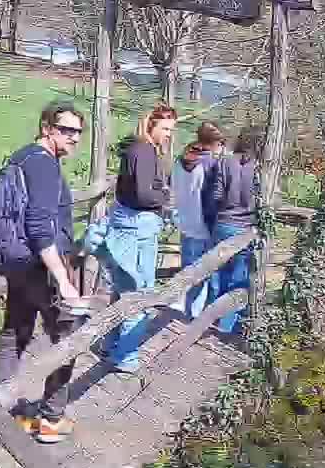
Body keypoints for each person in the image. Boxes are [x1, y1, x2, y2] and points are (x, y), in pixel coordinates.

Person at [0, 101, 87, 445]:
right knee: (70, 337)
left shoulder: (22, 156)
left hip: (15, 262)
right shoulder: (44, 166)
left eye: (77, 131)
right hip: (40, 265)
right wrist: (63, 280)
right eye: (66, 130)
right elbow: (39, 227)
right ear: (47, 128)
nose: (73, 137)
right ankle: (51, 419)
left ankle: (6, 412)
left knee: (14, 332)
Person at [98, 104, 178, 371]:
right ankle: (126, 357)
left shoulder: (137, 148)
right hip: (137, 227)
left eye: (171, 130)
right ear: (151, 125)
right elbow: (145, 194)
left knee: (122, 289)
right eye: (165, 128)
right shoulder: (144, 151)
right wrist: (165, 196)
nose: (168, 134)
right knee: (138, 292)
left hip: (127, 223)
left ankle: (110, 344)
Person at [202, 126, 262, 334]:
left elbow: (215, 196)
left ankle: (210, 321)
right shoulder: (261, 167)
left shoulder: (225, 161)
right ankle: (227, 327)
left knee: (217, 275)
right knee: (238, 279)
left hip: (223, 224)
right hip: (246, 228)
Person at [173, 122, 224, 318]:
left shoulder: (181, 159)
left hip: (185, 223)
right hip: (203, 226)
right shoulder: (210, 164)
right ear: (213, 144)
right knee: (205, 276)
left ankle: (187, 315)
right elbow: (212, 199)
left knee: (189, 274)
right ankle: (195, 322)